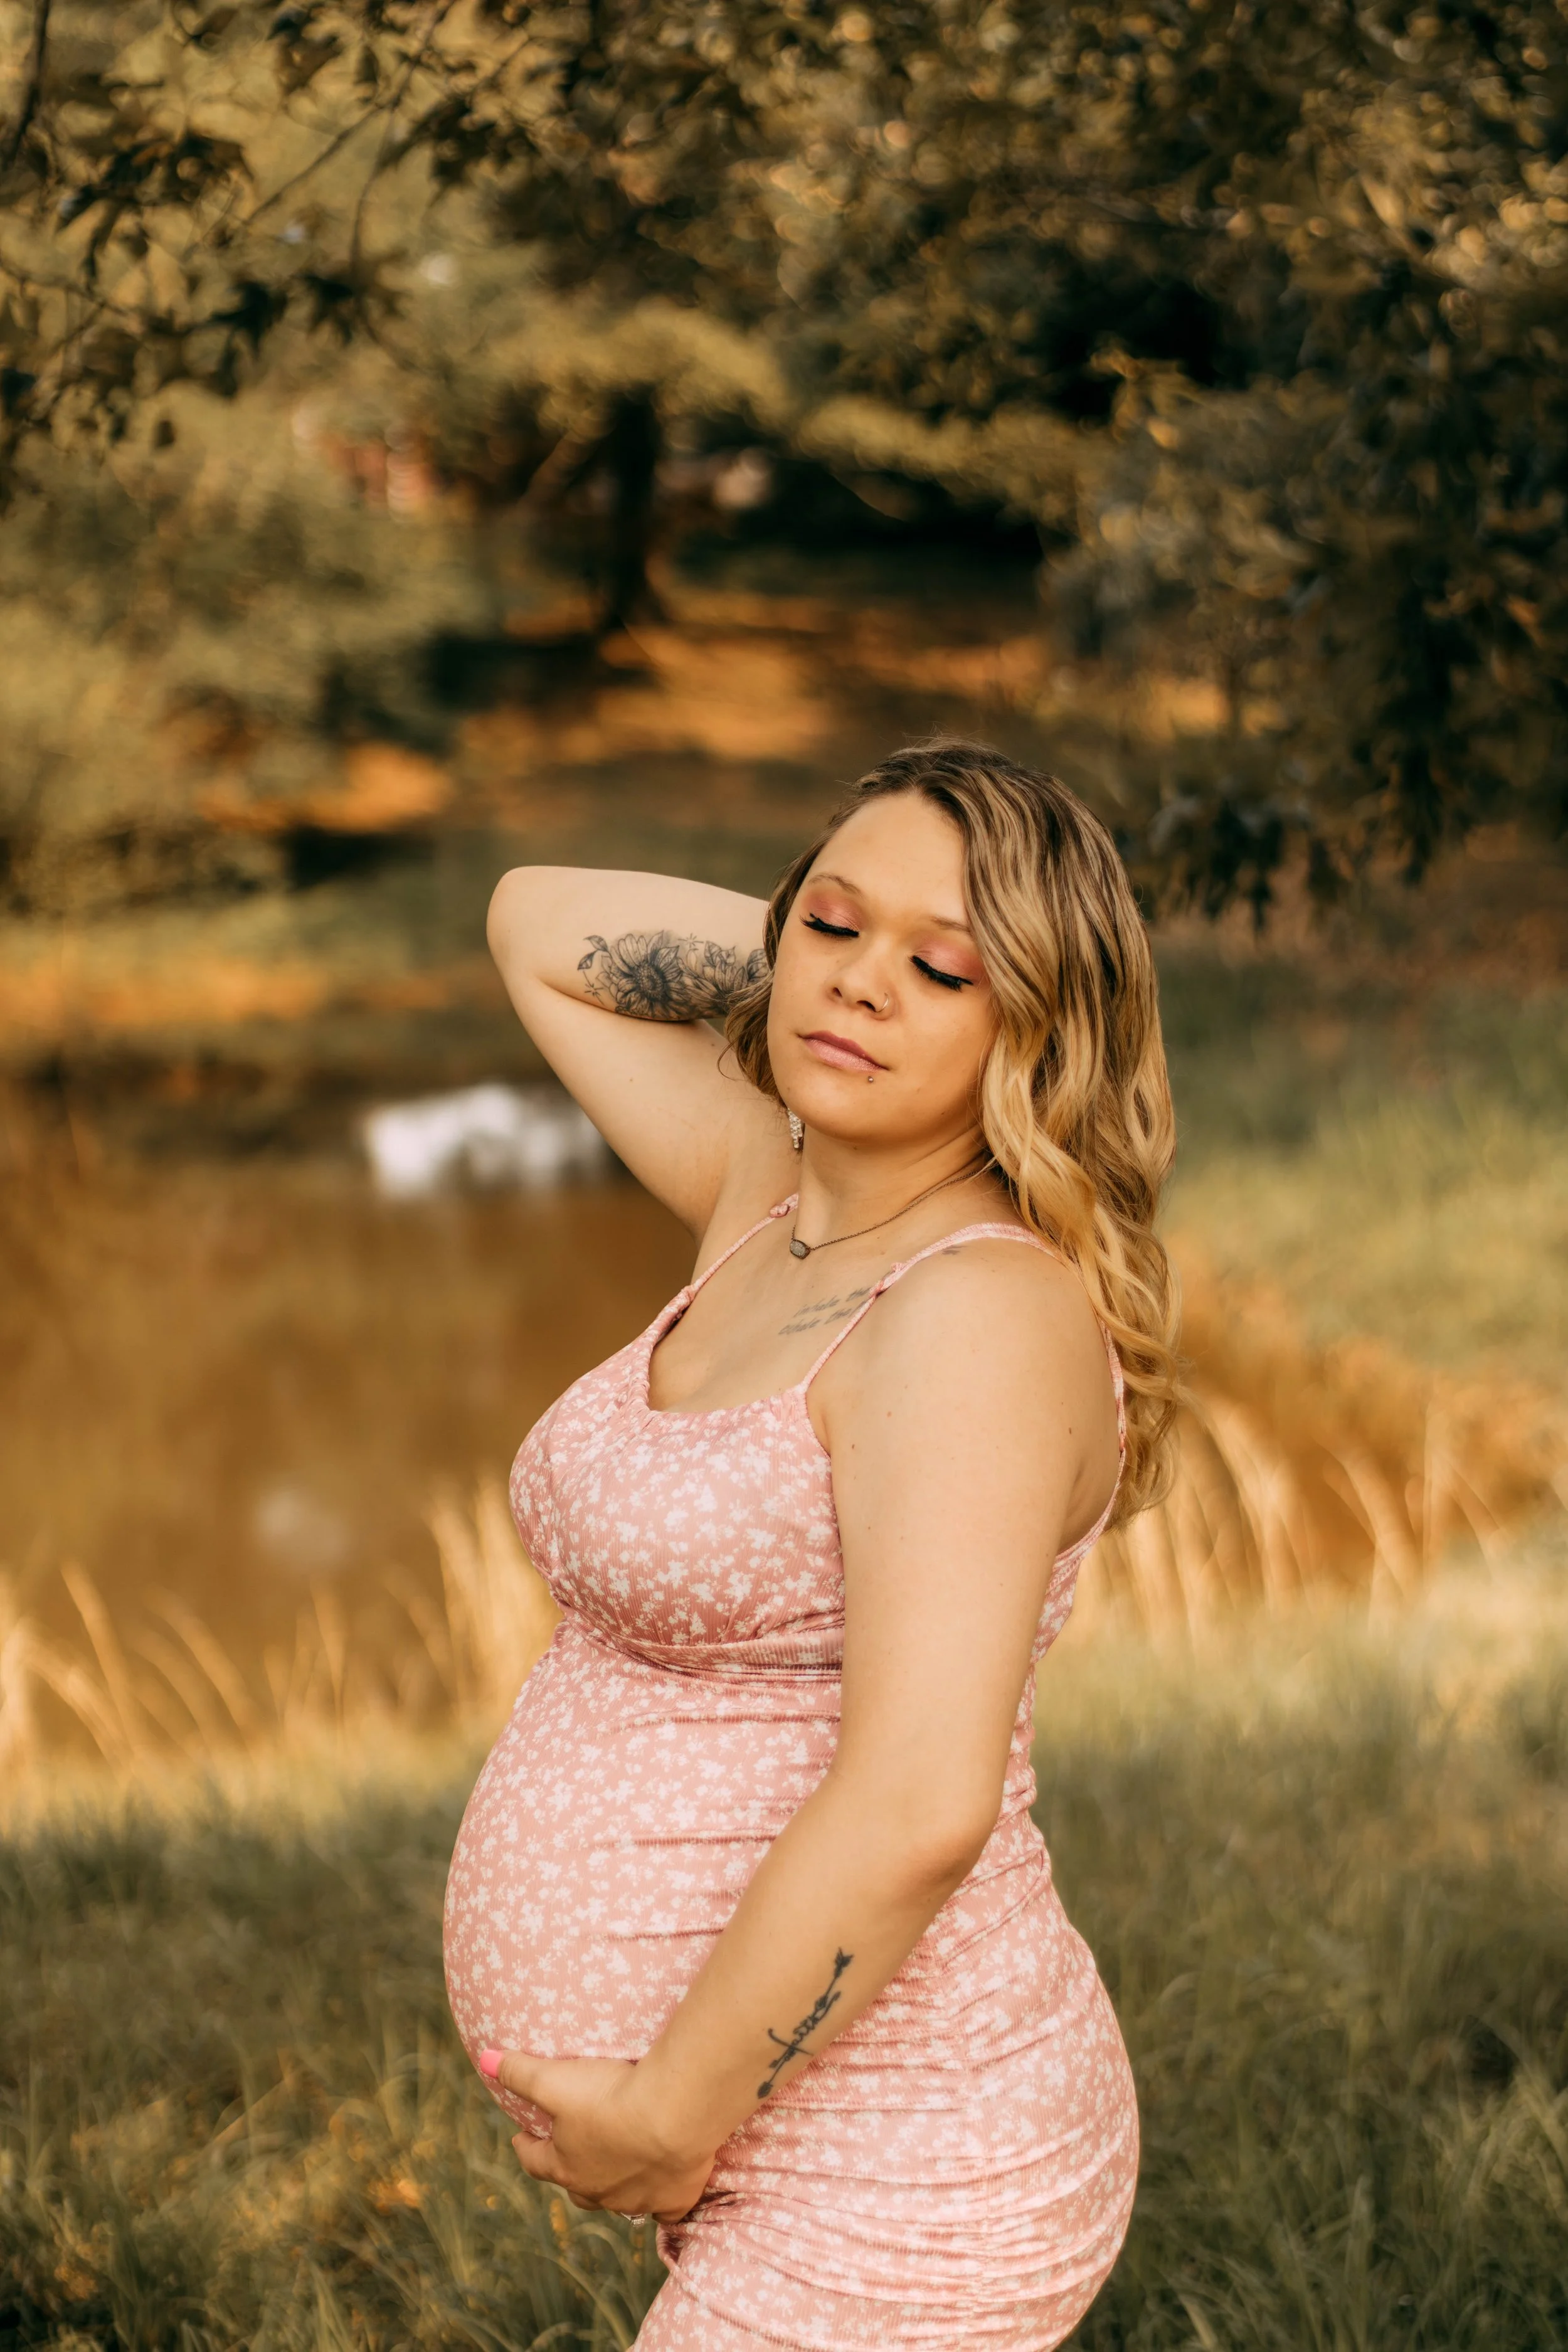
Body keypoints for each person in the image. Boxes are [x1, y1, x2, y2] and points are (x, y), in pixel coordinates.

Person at [443, 738, 1179, 2349]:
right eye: (831, 930)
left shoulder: (977, 1313)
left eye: (946, 968)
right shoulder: (772, 1193)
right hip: (793, 2144)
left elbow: (921, 1801)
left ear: (1038, 1021)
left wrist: (672, 2113)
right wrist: (849, 954)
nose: (860, 989)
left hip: (910, 2154)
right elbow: (534, 922)